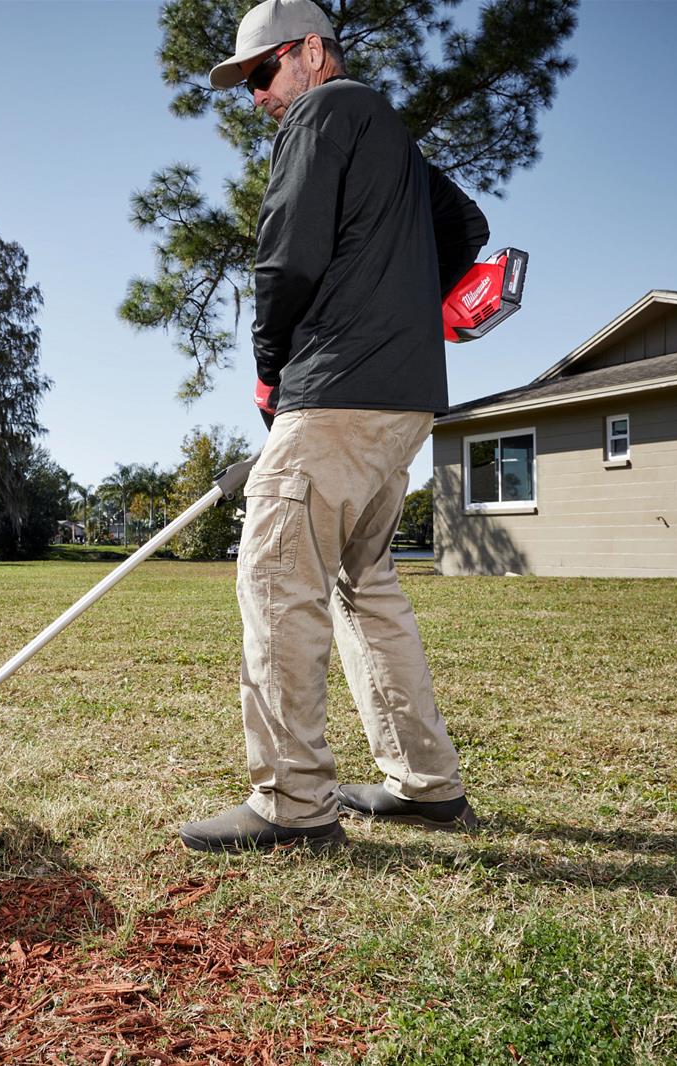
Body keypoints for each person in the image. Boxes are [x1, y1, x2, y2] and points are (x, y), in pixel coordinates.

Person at [179, 0, 490, 853]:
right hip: (406, 397)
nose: (257, 96)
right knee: (367, 585)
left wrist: (273, 368)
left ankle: (291, 805)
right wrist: (395, 304)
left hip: (336, 390)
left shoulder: (322, 111)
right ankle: (426, 784)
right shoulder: (390, 132)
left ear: (313, 51)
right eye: (246, 83)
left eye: (263, 72)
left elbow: (286, 254)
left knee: (277, 579)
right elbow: (467, 228)